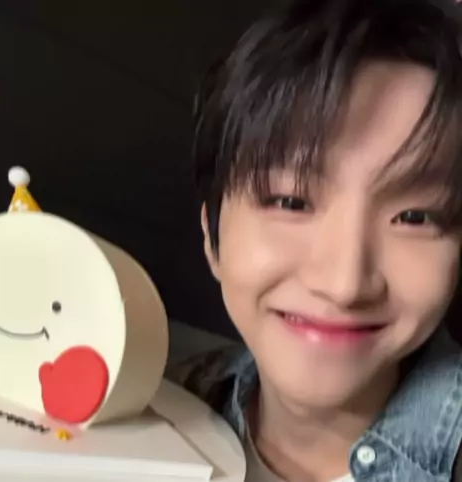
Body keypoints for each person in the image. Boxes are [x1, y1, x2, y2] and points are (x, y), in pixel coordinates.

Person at [166, 0, 462, 480]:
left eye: (413, 217)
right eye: (291, 202)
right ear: (212, 233)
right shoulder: (160, 408)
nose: (345, 285)